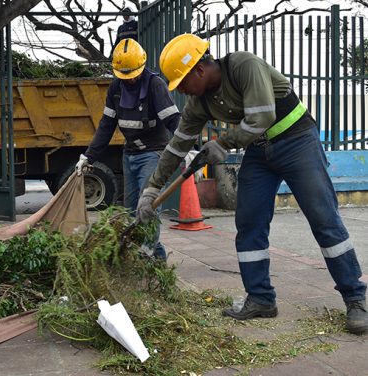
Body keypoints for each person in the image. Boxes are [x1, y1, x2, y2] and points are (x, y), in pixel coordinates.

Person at [136, 33, 368, 334]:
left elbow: (262, 116)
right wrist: (152, 189)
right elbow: (177, 145)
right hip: (259, 150)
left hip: (297, 140)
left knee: (323, 218)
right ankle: (260, 298)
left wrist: (223, 143)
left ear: (199, 69)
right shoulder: (199, 103)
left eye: (182, 82)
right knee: (249, 223)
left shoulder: (243, 65)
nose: (181, 91)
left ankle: (355, 298)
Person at [76, 38, 180, 260]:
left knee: (148, 206)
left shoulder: (155, 86)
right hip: (130, 153)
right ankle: (153, 255)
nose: (129, 79)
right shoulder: (116, 88)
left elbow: (174, 121)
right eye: (124, 74)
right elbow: (106, 125)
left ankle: (147, 255)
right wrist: (89, 156)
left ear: (141, 66)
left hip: (153, 153)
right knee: (131, 209)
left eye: (132, 74)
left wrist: (189, 148)